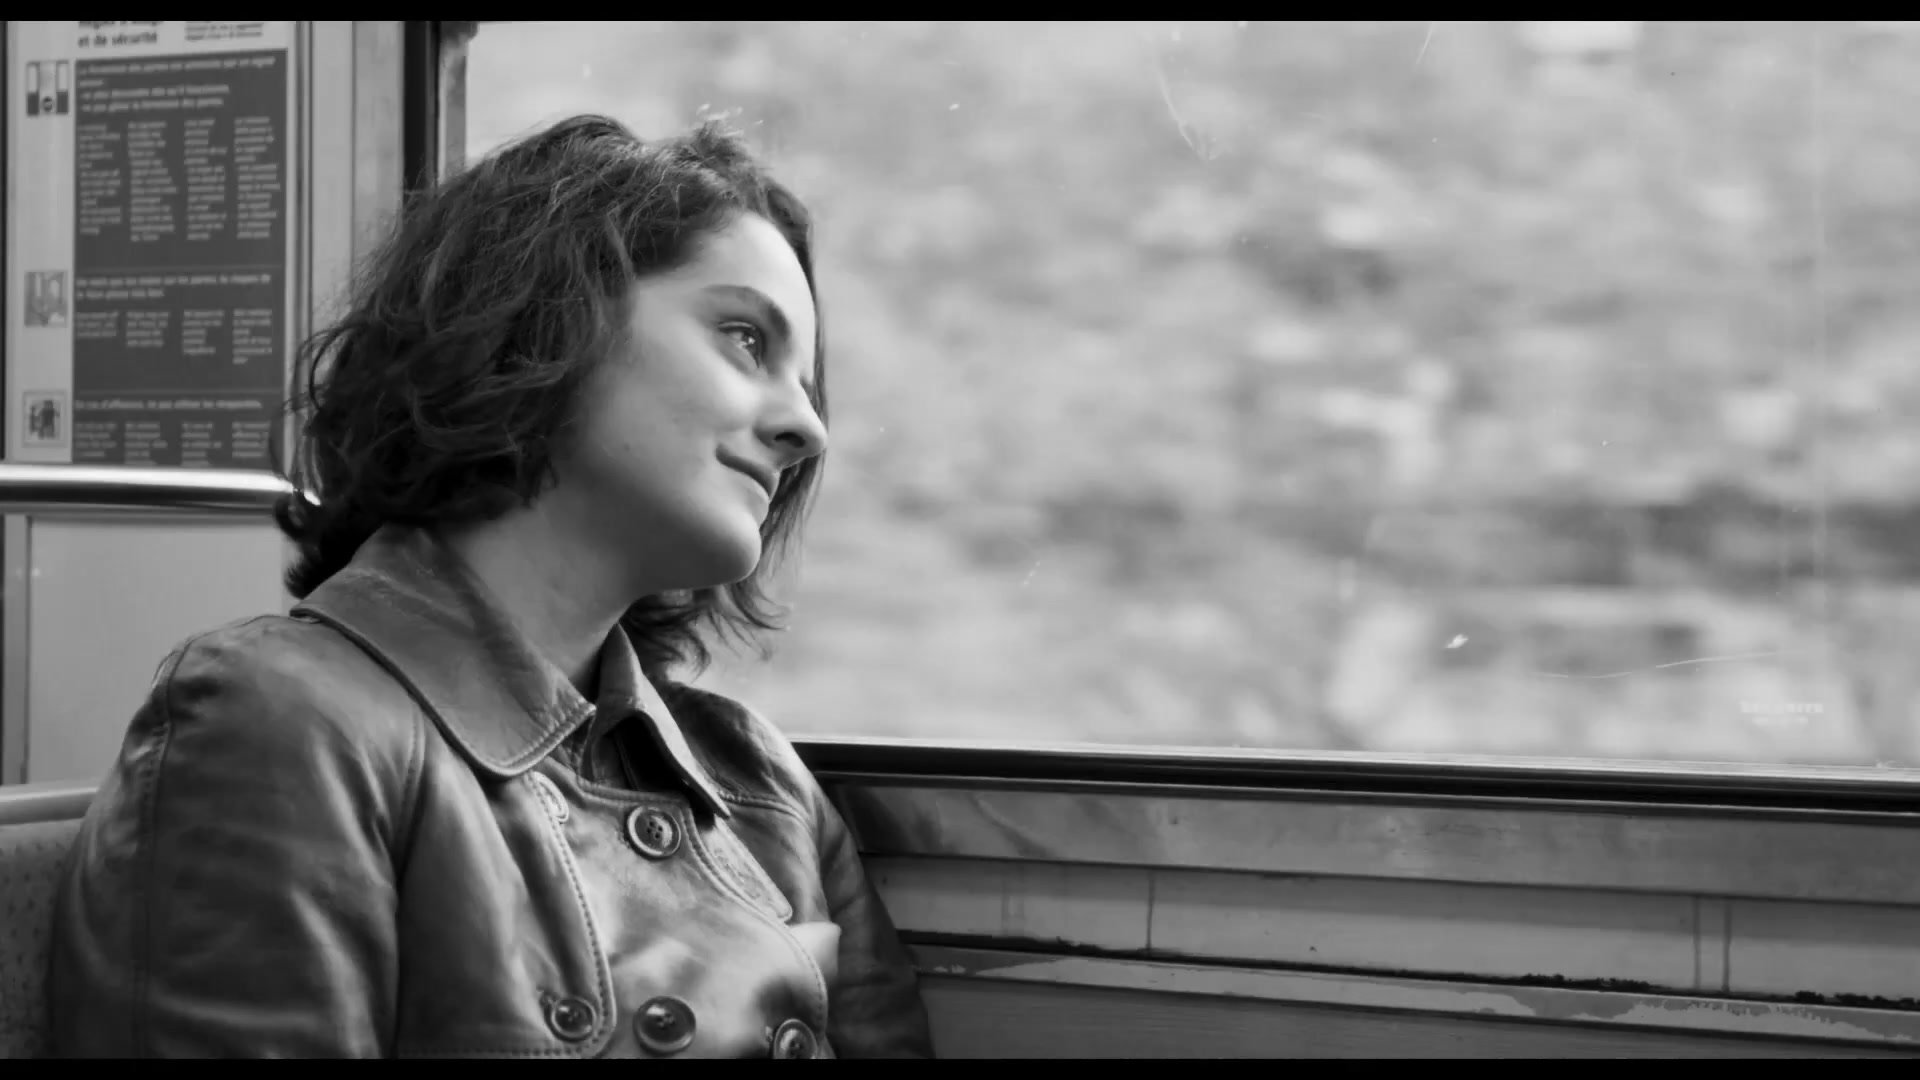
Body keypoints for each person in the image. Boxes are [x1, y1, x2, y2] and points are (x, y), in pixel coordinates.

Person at [47, 114, 933, 1059]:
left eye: (807, 384)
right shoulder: (278, 723)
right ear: (544, 321)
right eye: (746, 339)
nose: (807, 429)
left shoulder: (760, 786)